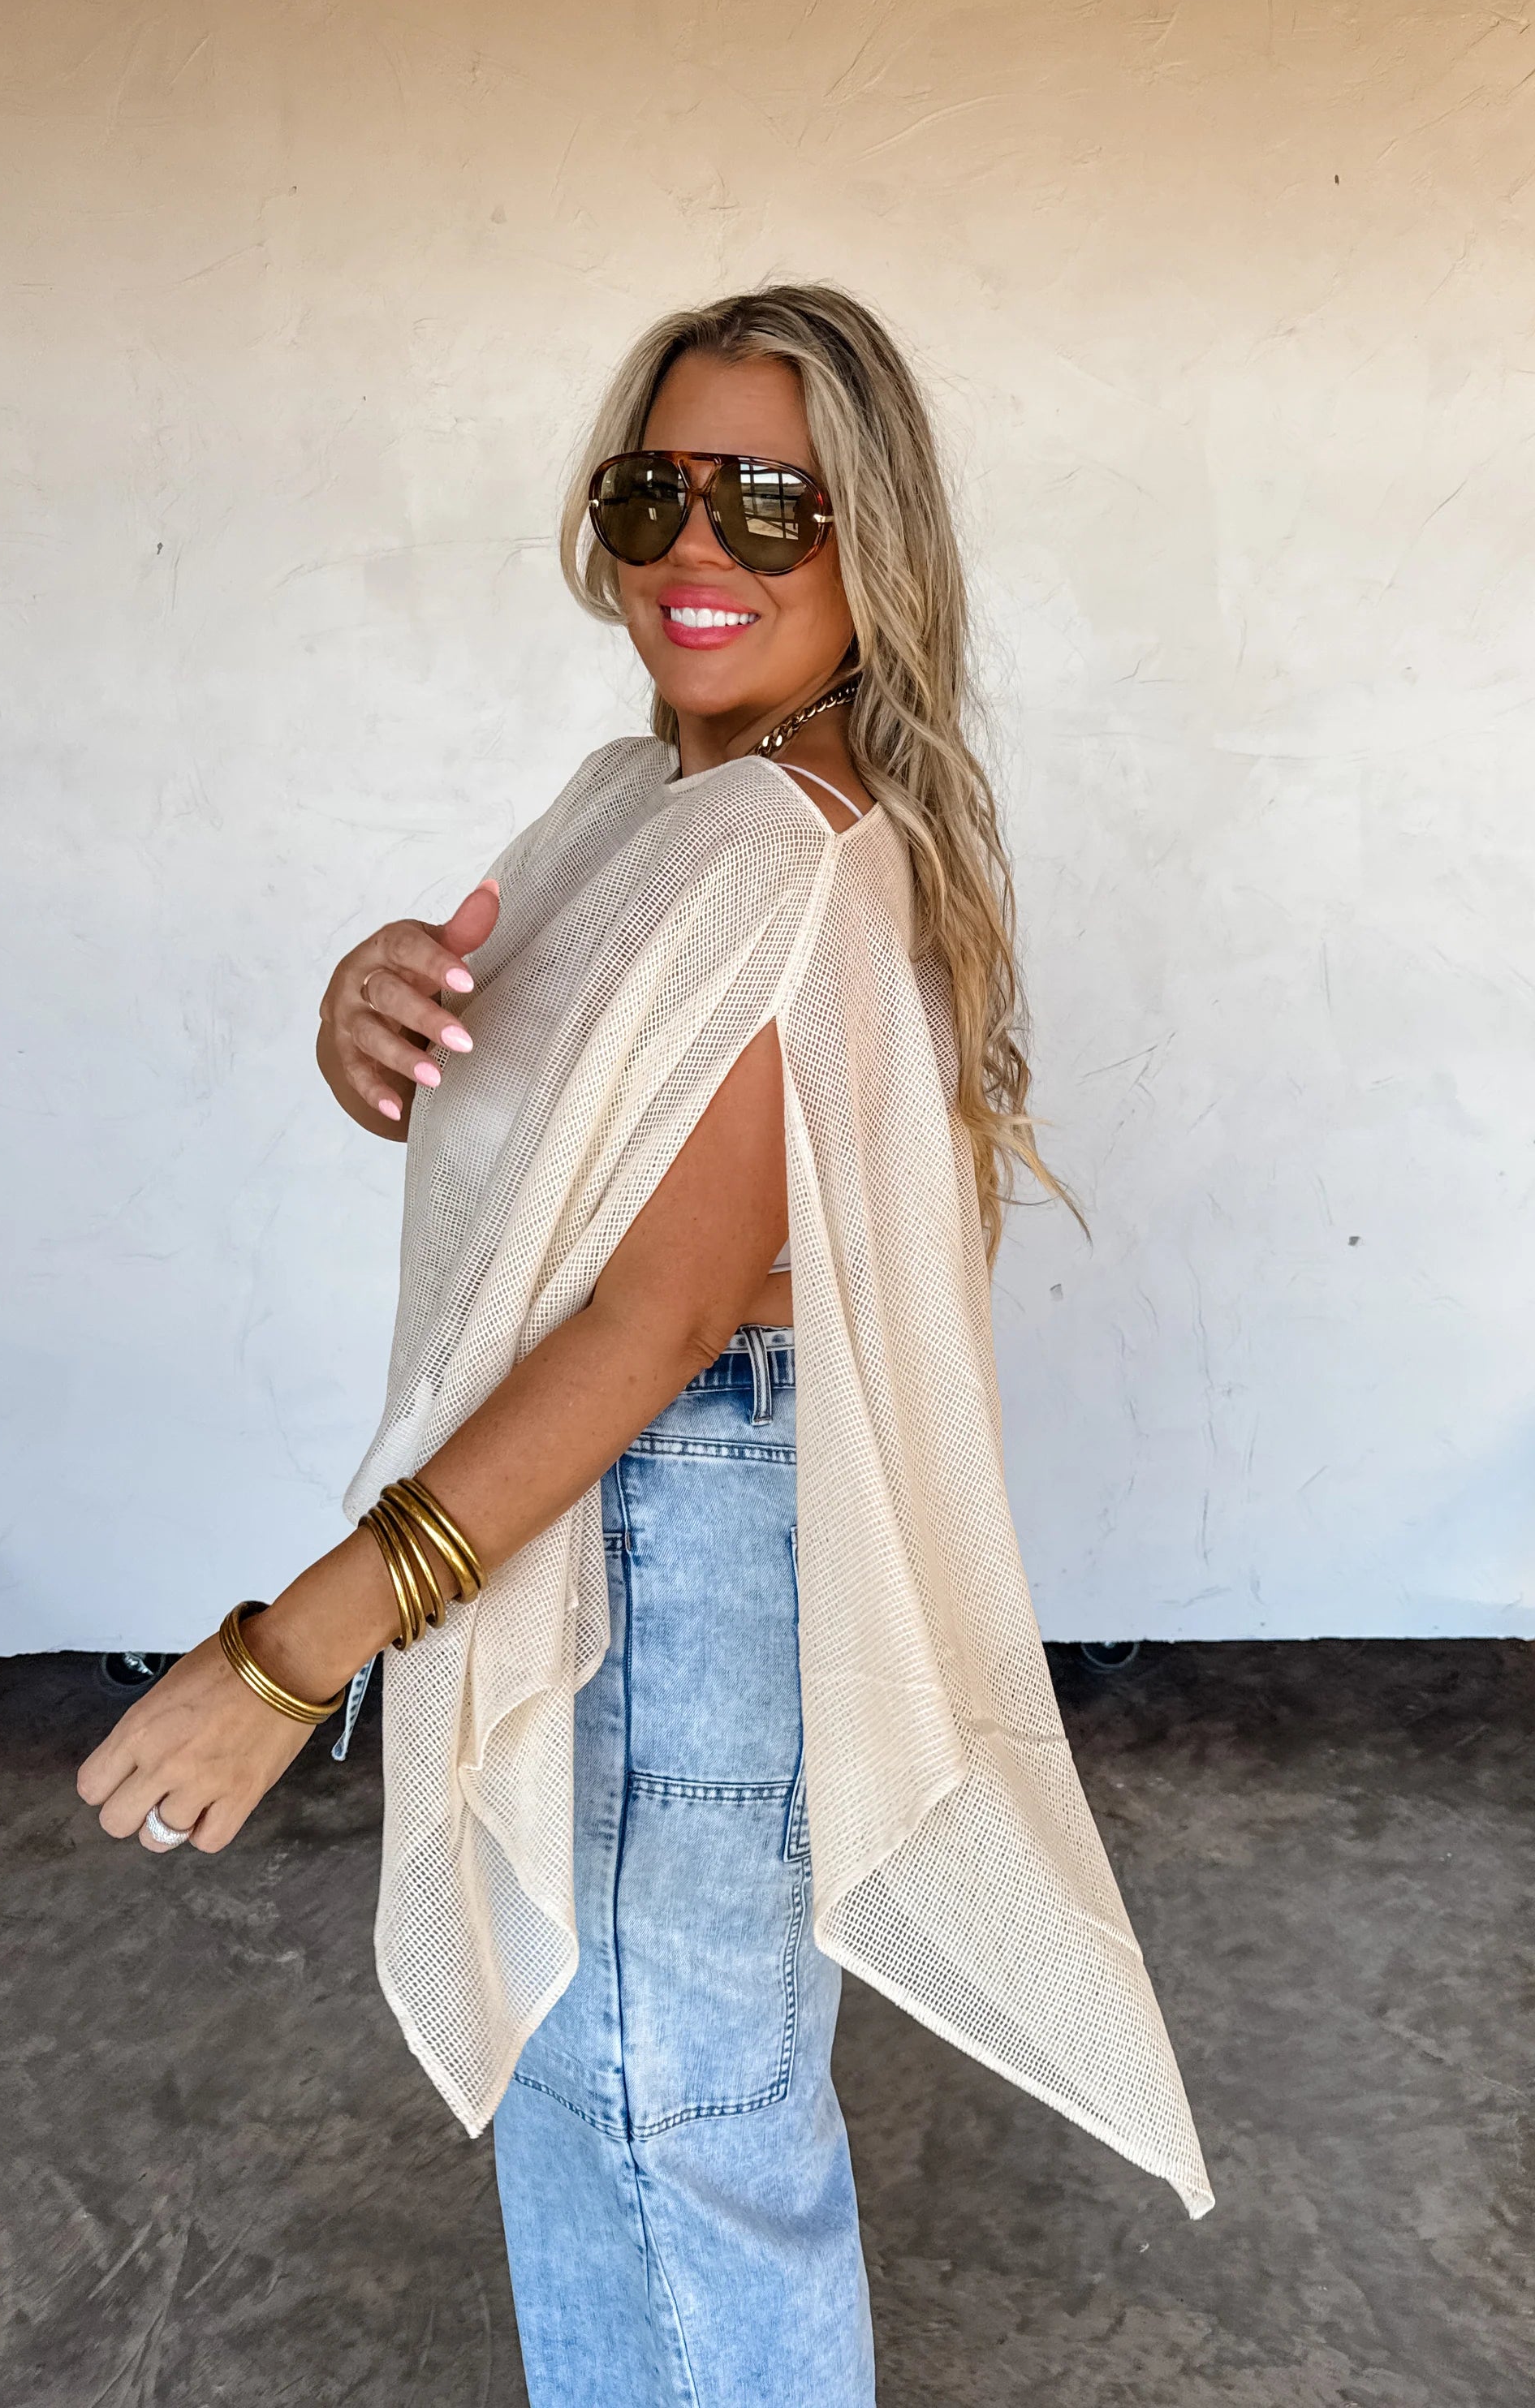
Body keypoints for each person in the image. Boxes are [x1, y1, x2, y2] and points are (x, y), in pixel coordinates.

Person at [78, 284, 1210, 2407]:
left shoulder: (786, 852)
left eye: (771, 503)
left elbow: (654, 1310)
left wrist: (282, 1662)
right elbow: (554, 1154)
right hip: (625, 1505)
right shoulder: (639, 805)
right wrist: (366, 1019)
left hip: (679, 1524)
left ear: (873, 544)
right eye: (653, 495)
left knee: (673, 2123)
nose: (701, 549)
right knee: (617, 2106)